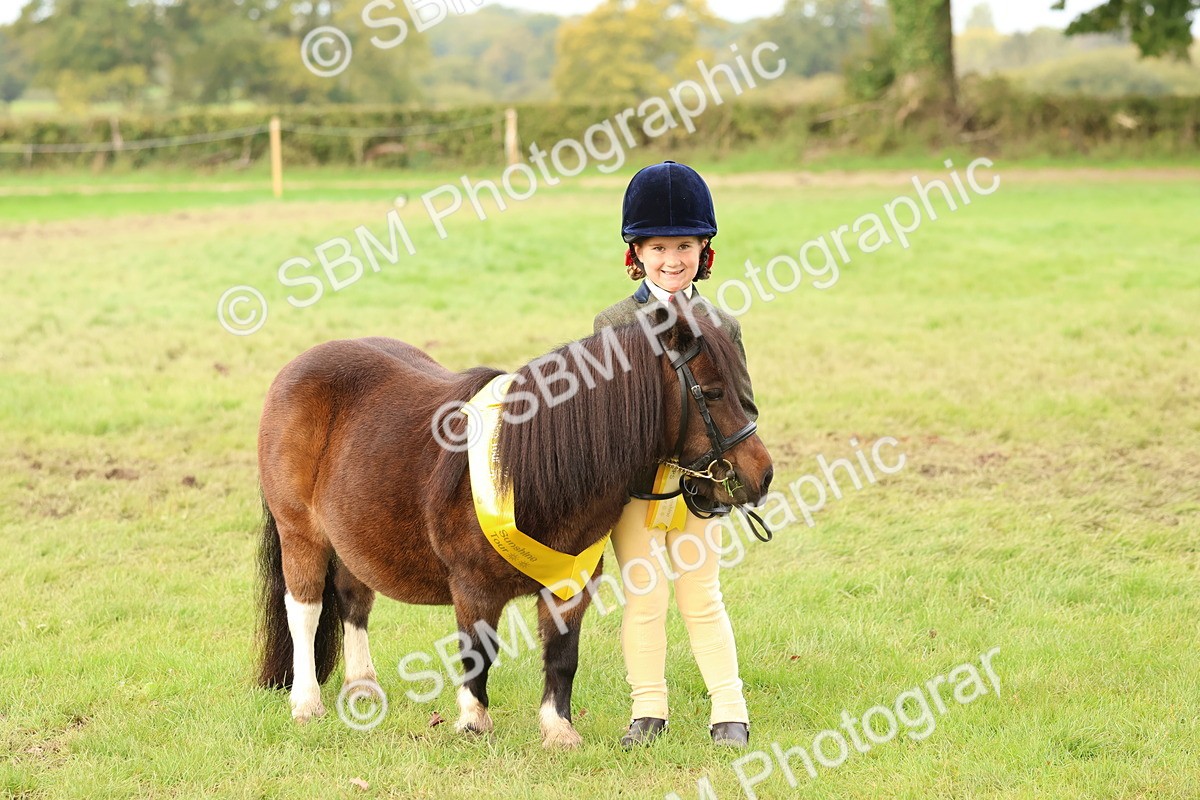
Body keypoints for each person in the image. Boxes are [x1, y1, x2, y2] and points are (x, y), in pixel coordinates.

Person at [592, 161, 758, 749]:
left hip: (700, 486)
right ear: (636, 253)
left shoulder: (721, 324)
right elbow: (606, 419)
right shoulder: (612, 324)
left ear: (703, 249)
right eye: (658, 247)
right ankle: (648, 710)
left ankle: (729, 709)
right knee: (645, 596)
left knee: (701, 592)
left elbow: (740, 405)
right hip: (639, 489)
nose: (671, 259)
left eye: (684, 245)